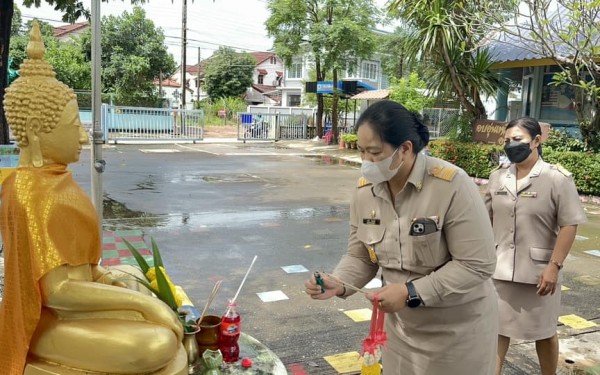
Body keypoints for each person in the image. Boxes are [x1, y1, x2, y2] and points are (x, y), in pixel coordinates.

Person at [0, 21, 185, 374]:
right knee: (156, 342)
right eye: (74, 128)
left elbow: (82, 270)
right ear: (38, 131)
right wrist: (146, 306)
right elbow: (58, 292)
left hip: (74, 303)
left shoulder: (56, 179)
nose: (84, 140)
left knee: (133, 274)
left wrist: (116, 281)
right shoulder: (26, 190)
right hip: (45, 318)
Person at [305, 100, 498, 374]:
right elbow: (360, 255)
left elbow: (477, 264)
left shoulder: (451, 185)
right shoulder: (365, 191)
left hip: (457, 332)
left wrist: (410, 292)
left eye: (374, 152)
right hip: (399, 332)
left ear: (405, 148)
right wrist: (339, 282)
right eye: (361, 152)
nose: (366, 162)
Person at [484, 117, 587, 375]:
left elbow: (569, 224)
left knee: (544, 332)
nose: (511, 145)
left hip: (540, 274)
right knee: (496, 331)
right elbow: (483, 221)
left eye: (517, 140)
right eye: (507, 141)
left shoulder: (556, 178)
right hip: (500, 270)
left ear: (537, 140)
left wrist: (554, 266)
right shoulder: (497, 178)